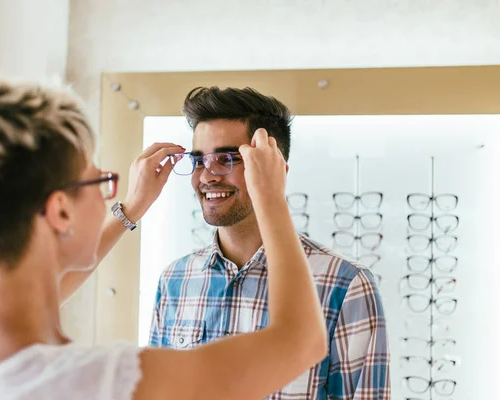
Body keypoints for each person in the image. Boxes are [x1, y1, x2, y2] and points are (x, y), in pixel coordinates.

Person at [0, 78, 327, 399]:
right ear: (61, 210)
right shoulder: (101, 382)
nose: (109, 199)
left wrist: (132, 208)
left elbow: (32, 287)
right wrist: (269, 196)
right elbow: (301, 340)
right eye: (99, 182)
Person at [149, 87, 391, 399]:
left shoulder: (346, 286)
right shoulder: (175, 281)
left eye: (226, 158)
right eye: (198, 160)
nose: (207, 176)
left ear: (276, 168)